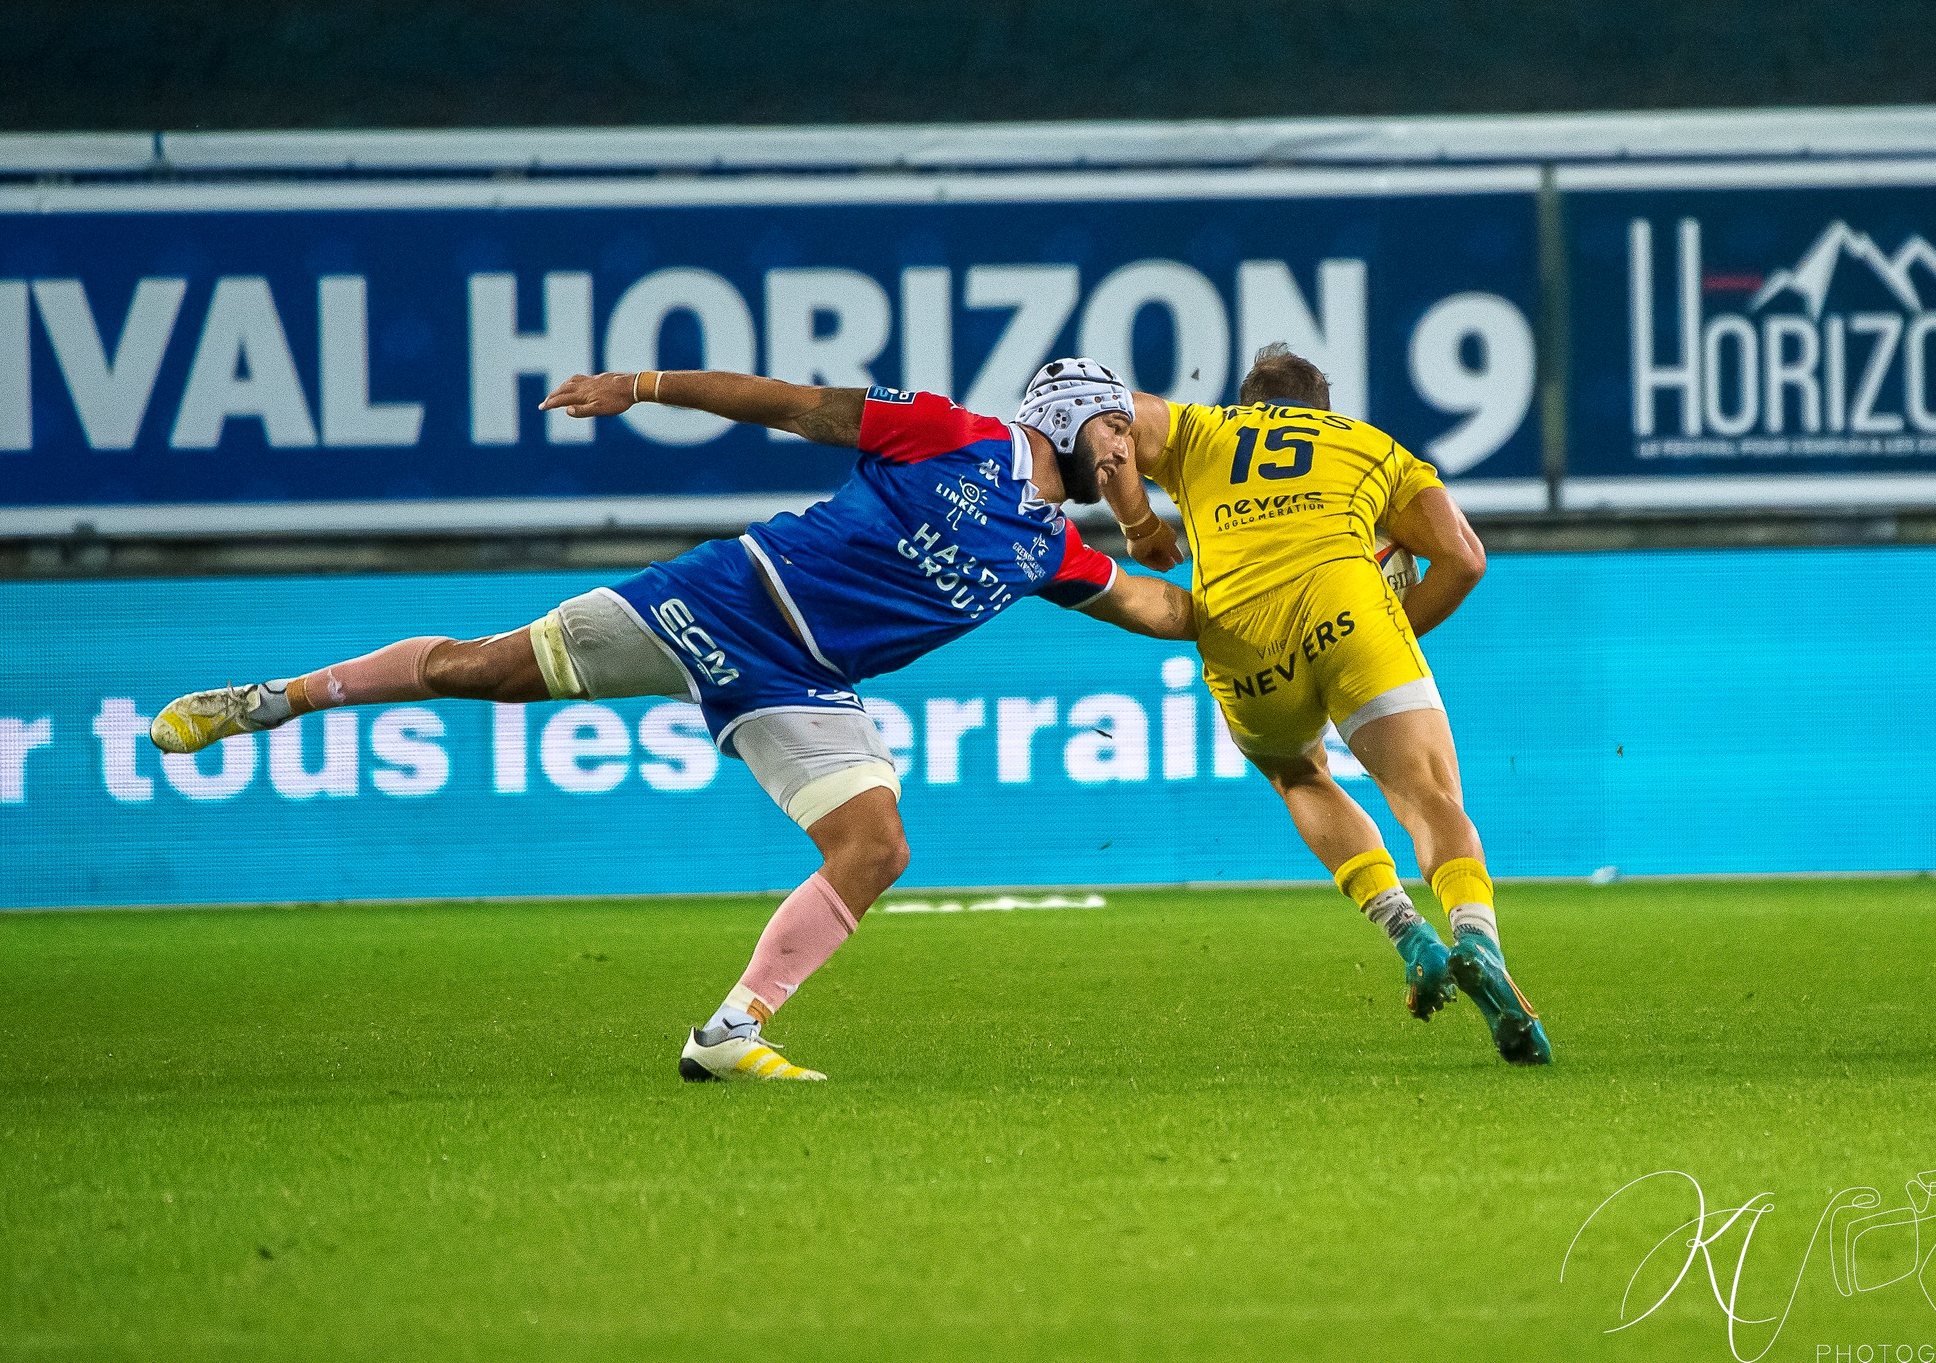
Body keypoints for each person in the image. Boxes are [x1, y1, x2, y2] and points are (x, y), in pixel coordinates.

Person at [151, 359, 1196, 1081]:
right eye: (1121, 423)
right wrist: (641, 388)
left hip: (804, 678)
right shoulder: (957, 434)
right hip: (723, 599)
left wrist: (1291, 595)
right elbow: (789, 404)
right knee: (483, 669)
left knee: (874, 846)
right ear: (1073, 416)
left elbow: (1162, 608)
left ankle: (730, 1033)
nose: (1133, 441)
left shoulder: (1054, 550)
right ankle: (273, 701)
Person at [1104, 343, 1550, 1065]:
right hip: (1351, 611)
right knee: (1425, 792)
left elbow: (1110, 427)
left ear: (1246, 405)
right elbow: (1465, 557)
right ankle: (1474, 937)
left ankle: (1408, 933)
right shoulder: (1368, 445)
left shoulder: (1199, 430)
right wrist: (1383, 625)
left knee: (1299, 773)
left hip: (1242, 634)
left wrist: (1141, 528)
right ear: (1322, 412)